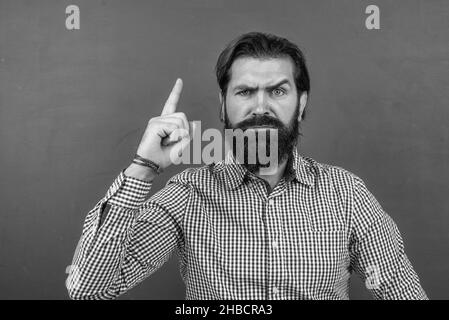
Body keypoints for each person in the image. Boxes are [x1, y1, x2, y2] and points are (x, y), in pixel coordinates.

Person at [67, 32, 428, 300]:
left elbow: (401, 289)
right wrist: (143, 168)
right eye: (244, 92)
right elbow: (89, 289)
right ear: (223, 106)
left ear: (301, 104)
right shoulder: (188, 194)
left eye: (277, 91)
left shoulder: (346, 194)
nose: (261, 107)